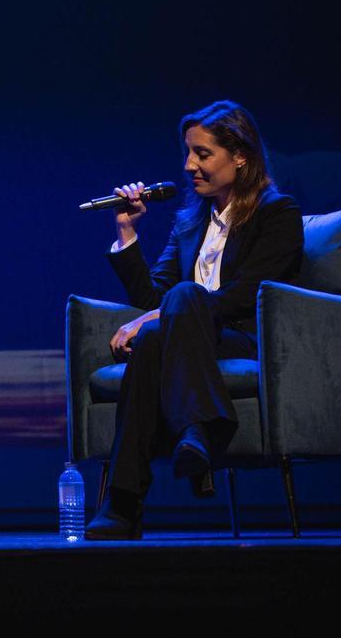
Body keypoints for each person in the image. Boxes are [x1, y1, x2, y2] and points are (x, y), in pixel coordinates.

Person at [84, 101, 303, 540]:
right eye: (188, 153)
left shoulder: (277, 214)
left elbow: (246, 295)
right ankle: (197, 431)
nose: (189, 165)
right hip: (186, 337)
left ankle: (125, 502)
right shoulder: (190, 224)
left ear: (239, 155)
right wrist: (127, 232)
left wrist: (151, 317)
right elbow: (152, 294)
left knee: (178, 306)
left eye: (202, 154)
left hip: (241, 336)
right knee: (155, 337)